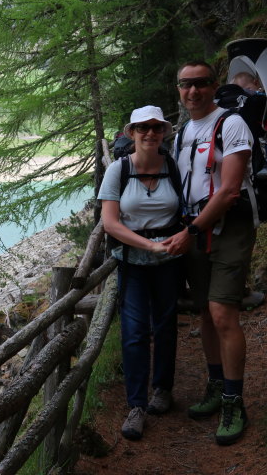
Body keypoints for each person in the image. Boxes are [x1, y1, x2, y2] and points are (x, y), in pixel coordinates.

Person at [162, 61, 256, 445]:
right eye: (186, 85)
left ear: (214, 86)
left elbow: (230, 189)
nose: (193, 92)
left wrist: (191, 231)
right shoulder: (183, 131)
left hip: (228, 227)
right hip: (194, 227)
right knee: (204, 310)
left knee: (222, 311)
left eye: (200, 84)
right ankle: (216, 384)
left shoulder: (232, 124)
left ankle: (235, 400)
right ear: (179, 90)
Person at [98, 105, 183, 440]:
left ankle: (162, 389)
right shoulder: (118, 171)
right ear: (131, 133)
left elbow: (187, 207)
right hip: (133, 262)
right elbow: (110, 223)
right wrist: (150, 247)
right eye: (142, 128)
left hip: (170, 261)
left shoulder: (174, 168)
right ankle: (136, 405)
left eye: (156, 128)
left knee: (165, 324)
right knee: (134, 331)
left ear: (163, 132)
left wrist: (179, 240)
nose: (150, 134)